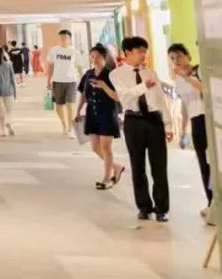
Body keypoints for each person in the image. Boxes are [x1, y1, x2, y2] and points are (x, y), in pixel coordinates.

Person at [110, 36, 173, 222]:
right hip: (133, 121)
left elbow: (160, 100)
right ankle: (144, 207)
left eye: (145, 51)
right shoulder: (117, 74)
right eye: (139, 51)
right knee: (138, 166)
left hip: (154, 121)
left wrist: (168, 124)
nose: (143, 55)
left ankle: (161, 208)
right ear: (128, 53)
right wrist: (144, 86)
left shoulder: (150, 73)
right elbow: (125, 97)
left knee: (159, 167)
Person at [169, 43, 210, 219]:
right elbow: (185, 106)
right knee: (203, 164)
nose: (176, 60)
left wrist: (186, 77)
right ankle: (212, 202)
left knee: (215, 162)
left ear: (188, 56)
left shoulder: (200, 71)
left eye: (179, 55)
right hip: (196, 122)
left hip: (209, 119)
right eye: (172, 58)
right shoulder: (178, 80)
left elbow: (206, 89)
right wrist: (183, 130)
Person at [76, 44, 124, 191]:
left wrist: (104, 86)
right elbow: (84, 94)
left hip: (107, 113)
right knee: (95, 147)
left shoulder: (111, 75)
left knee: (105, 147)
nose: (94, 59)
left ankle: (107, 178)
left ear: (104, 57)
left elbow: (117, 97)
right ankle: (116, 166)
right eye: (92, 56)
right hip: (92, 113)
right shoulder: (88, 74)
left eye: (97, 57)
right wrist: (78, 110)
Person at [46, 30, 83, 137]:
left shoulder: (74, 51)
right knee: (59, 106)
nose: (63, 39)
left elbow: (79, 66)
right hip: (57, 81)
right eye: (61, 37)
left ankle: (71, 129)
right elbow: (50, 66)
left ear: (69, 39)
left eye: (65, 37)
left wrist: (83, 79)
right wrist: (48, 81)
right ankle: (64, 124)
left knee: (70, 105)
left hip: (71, 81)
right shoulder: (54, 50)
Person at [0, 44, 17, 137]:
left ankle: (3, 131)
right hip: (9, 90)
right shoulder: (9, 65)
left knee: (1, 112)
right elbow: (12, 79)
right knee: (9, 111)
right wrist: (15, 91)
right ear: (3, 54)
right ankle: (9, 124)